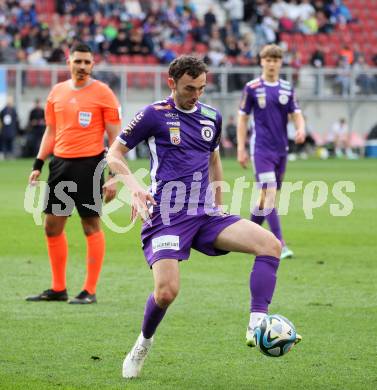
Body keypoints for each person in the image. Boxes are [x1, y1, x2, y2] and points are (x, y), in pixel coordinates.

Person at [107, 55, 301, 379]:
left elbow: (213, 161)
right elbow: (113, 153)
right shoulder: (153, 115)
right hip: (167, 215)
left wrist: (219, 203)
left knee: (270, 245)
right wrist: (135, 187)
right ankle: (143, 343)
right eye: (189, 88)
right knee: (167, 292)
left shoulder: (211, 116)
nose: (196, 95)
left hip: (205, 213)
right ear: (172, 84)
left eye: (201, 88)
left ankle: (256, 324)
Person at [26, 43, 121, 304]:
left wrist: (113, 174)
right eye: (77, 61)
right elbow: (51, 131)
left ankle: (89, 290)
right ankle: (58, 288)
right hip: (60, 165)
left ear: (92, 65)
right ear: (69, 61)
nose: (82, 66)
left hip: (90, 165)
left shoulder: (104, 93)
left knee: (90, 225)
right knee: (52, 226)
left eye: (87, 62)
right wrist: (38, 163)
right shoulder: (56, 92)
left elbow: (115, 138)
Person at [236, 44, 306, 260]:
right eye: (268, 60)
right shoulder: (252, 87)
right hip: (261, 150)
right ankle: (280, 243)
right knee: (270, 195)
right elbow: (243, 118)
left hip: (281, 150)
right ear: (261, 62)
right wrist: (241, 147)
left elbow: (296, 113)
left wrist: (301, 128)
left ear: (280, 63)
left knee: (264, 200)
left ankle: (244, 235)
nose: (272, 64)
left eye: (275, 60)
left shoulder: (287, 88)